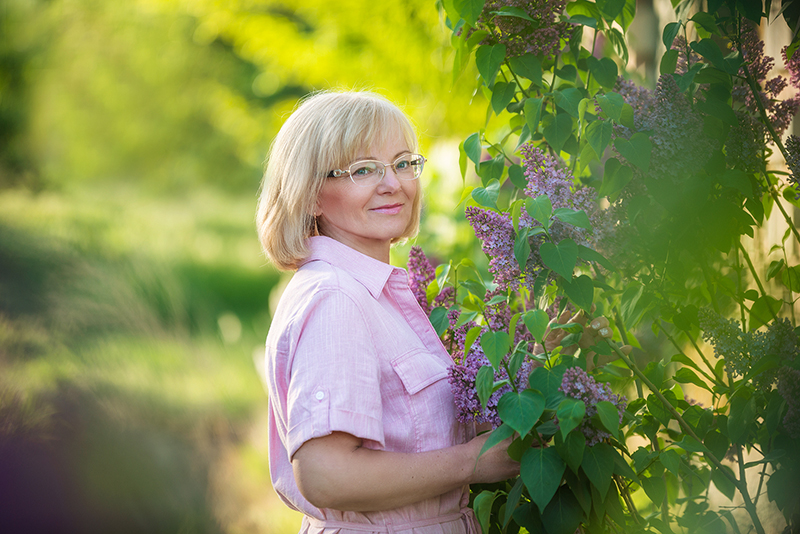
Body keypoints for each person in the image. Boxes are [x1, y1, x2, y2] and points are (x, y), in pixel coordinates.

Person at [255, 90, 612, 534]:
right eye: (363, 169)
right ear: (310, 195)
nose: (393, 183)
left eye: (403, 163)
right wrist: (473, 462)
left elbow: (419, 434)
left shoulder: (376, 296)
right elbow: (326, 475)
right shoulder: (336, 298)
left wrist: (544, 357)